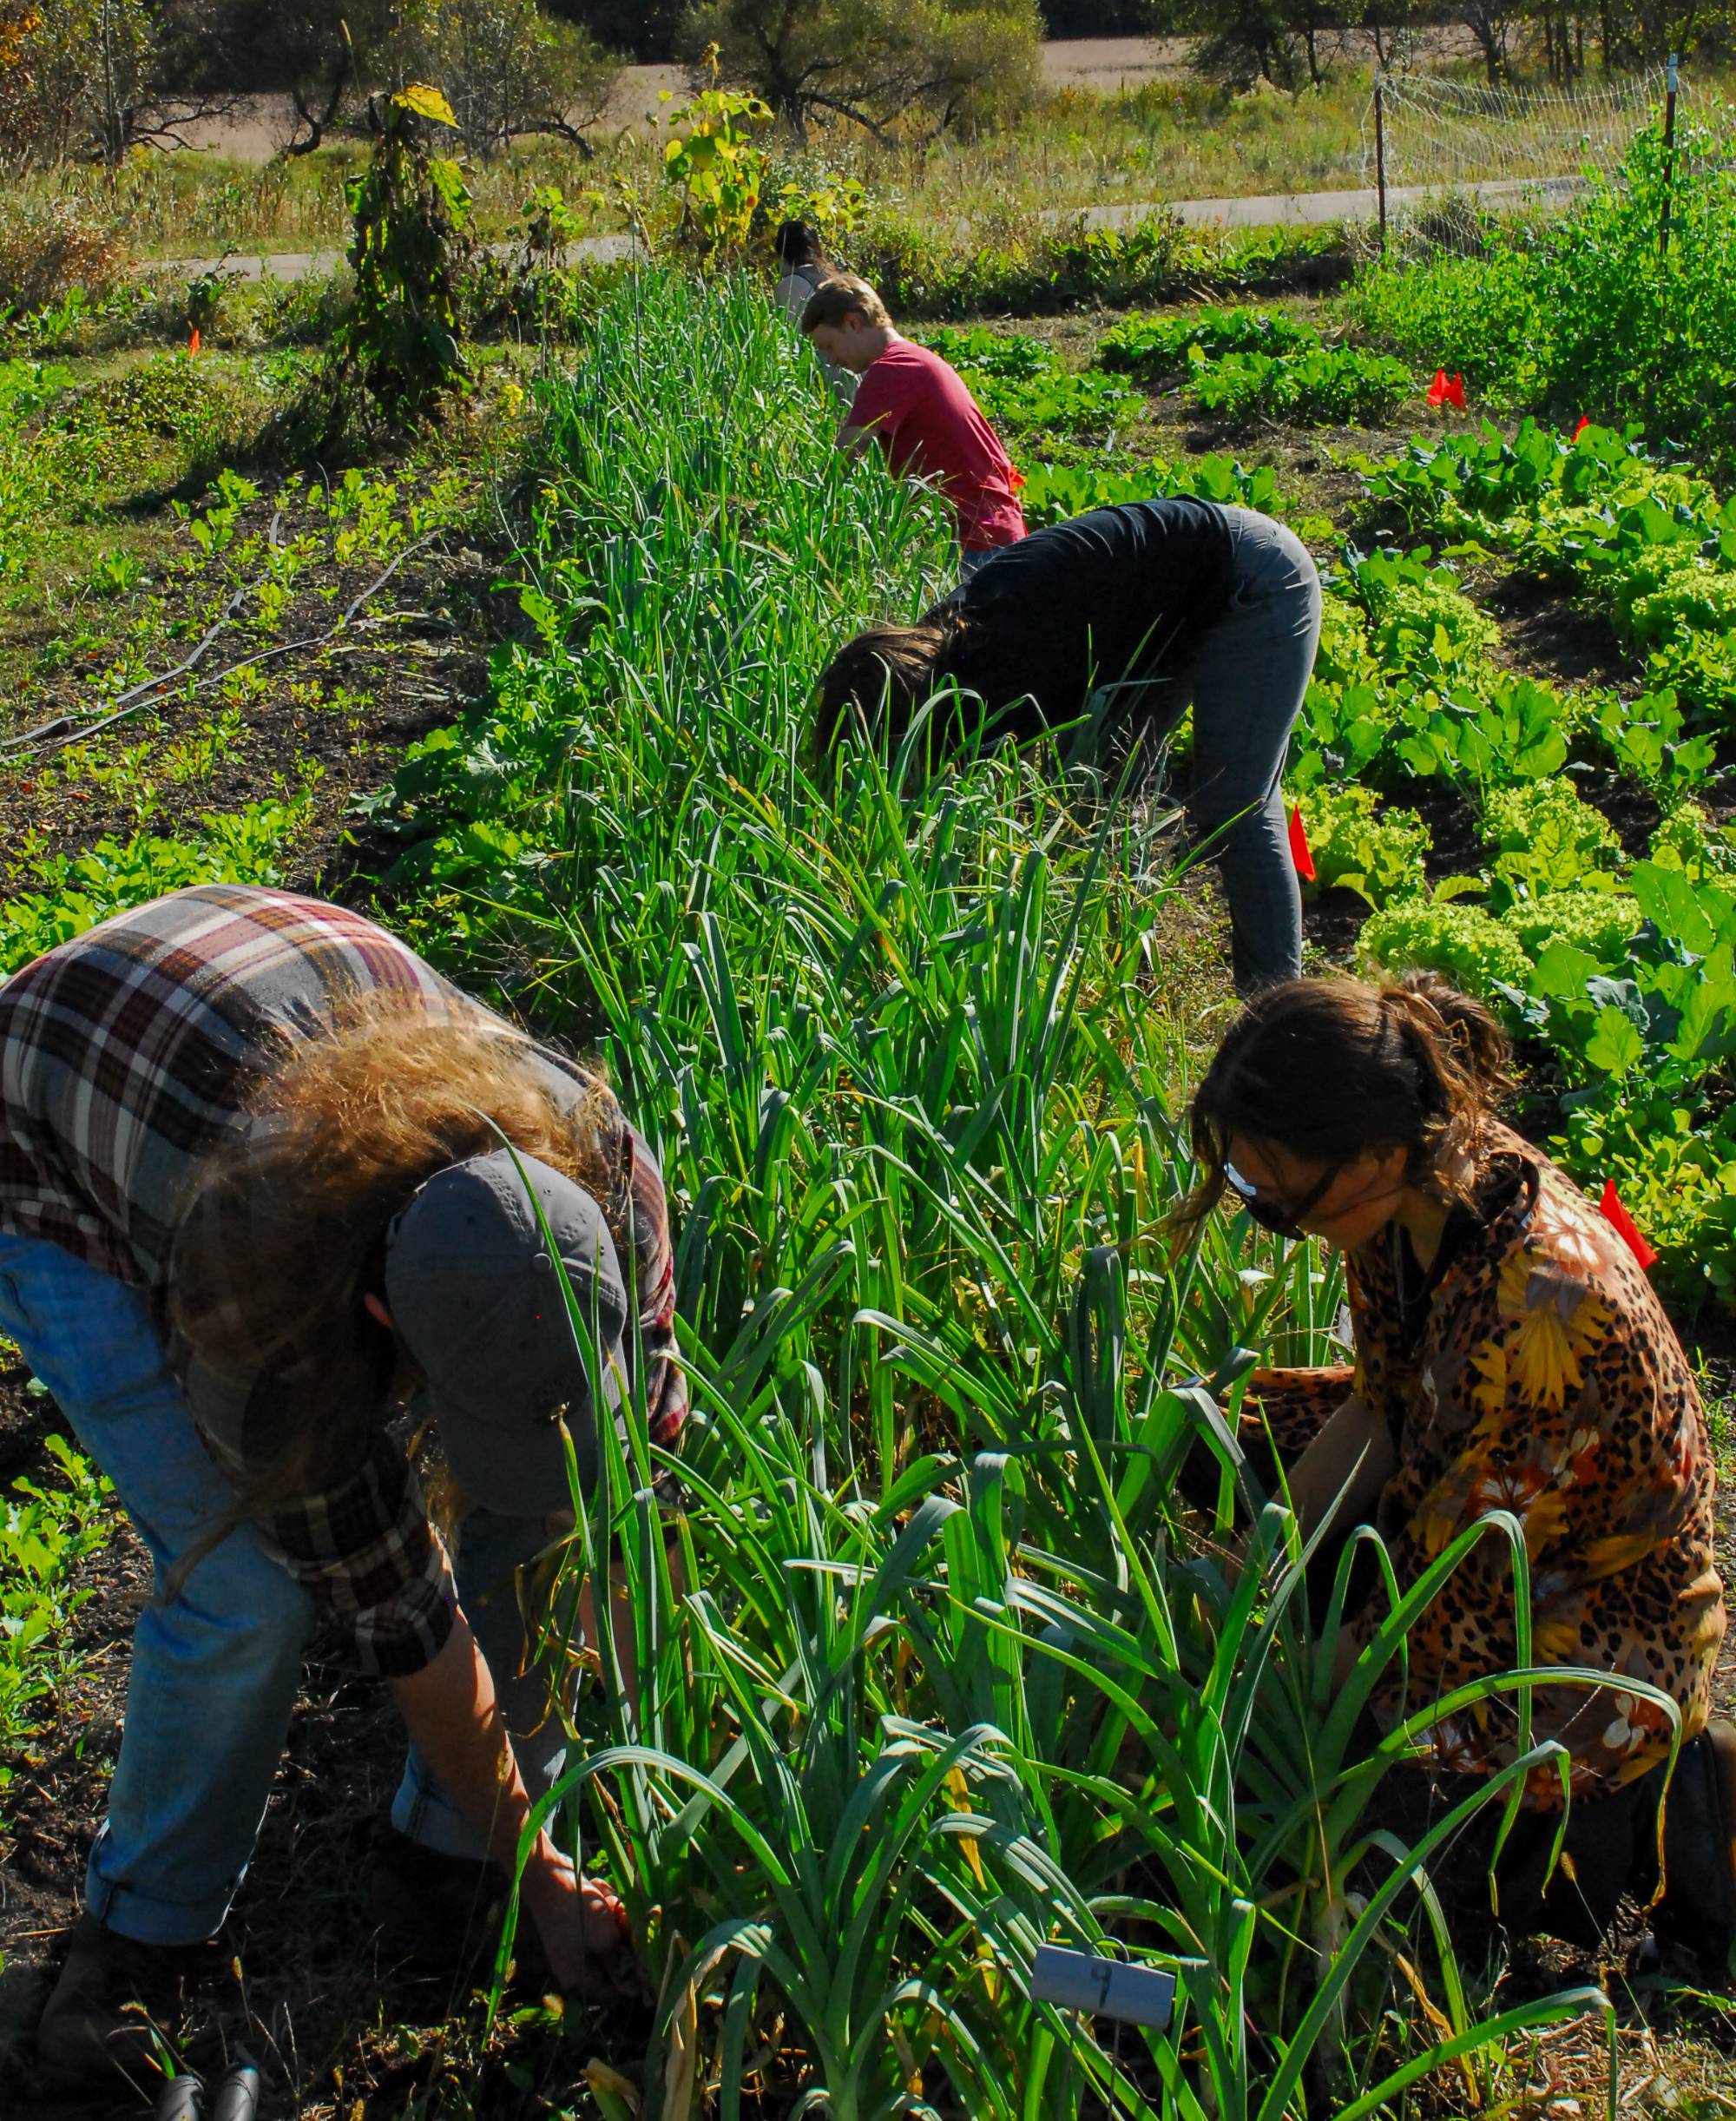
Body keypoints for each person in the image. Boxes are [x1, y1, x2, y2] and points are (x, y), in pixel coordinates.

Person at [0, 884, 686, 2086]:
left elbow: (633, 1491)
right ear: (376, 1313)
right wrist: (544, 1865)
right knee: (246, 1595)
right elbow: (403, 1617)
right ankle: (139, 1935)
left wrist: (618, 1767)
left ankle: (444, 1855)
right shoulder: (258, 1314)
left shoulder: (606, 1175)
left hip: (264, 964)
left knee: (558, 1493)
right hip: (51, 1113)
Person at [1180, 970, 1733, 1961]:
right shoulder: (1408, 1200)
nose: (1274, 1216)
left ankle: (1679, 1802)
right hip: (1459, 1496)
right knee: (1214, 1438)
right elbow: (1378, 1405)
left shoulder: (1542, 1311)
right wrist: (1239, 1570)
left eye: (1276, 1196)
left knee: (1367, 1799)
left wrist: (1237, 1692)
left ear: (1373, 1155)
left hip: (1572, 1623)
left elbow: (1441, 1605)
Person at [813, 495, 1322, 995]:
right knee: (1111, 786)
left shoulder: (1002, 666)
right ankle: (1127, 970)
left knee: (1234, 803)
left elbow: (1028, 791)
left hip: (1252, 578)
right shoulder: (940, 647)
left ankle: (1278, 1010)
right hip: (1168, 600)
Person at [800, 273, 1028, 572]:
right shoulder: (916, 358)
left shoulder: (893, 369)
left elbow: (843, 459)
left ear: (853, 322)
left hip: (978, 543)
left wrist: (797, 517)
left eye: (829, 345)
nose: (830, 360)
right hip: (991, 533)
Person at [773, 221, 856, 405]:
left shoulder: (791, 284)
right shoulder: (836, 279)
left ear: (780, 252)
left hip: (826, 375)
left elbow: (792, 343)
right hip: (858, 366)